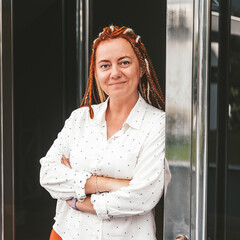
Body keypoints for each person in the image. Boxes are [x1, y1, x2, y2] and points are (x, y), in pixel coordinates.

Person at [39, 25, 171, 240]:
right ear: (97, 72)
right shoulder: (80, 118)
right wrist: (110, 184)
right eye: (105, 65)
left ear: (142, 68)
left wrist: (77, 200)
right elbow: (48, 174)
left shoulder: (157, 124)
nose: (115, 73)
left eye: (124, 62)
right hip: (67, 234)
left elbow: (142, 196)